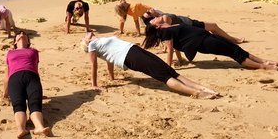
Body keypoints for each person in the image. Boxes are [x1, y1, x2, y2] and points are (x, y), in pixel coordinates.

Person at [82, 31, 219, 98]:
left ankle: (202, 88)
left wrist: (112, 77)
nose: (86, 35)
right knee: (163, 76)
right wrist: (94, 85)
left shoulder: (101, 40)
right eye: (84, 38)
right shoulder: (93, 46)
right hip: (130, 57)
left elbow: (109, 60)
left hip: (133, 49)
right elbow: (94, 65)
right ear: (87, 43)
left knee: (169, 70)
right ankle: (196, 93)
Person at [143, 21, 278, 70]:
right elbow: (171, 49)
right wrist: (168, 67)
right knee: (233, 53)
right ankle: (264, 67)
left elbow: (177, 45)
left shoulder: (168, 26)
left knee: (236, 48)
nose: (155, 20)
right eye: (154, 22)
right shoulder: (165, 33)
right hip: (203, 43)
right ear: (156, 28)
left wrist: (180, 60)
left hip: (206, 35)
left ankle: (264, 60)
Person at [4, 30, 51, 138]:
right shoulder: (10, 52)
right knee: (18, 104)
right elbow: (7, 72)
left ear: (28, 41)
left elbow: (36, 68)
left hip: (32, 78)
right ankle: (21, 129)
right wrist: (5, 92)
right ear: (15, 42)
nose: (21, 34)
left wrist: (38, 87)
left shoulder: (33, 51)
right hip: (15, 79)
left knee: (35, 103)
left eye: (24, 34)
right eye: (19, 34)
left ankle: (39, 127)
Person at [142, 9, 244, 44]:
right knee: (214, 27)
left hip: (190, 23)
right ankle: (232, 39)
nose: (150, 10)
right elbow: (170, 30)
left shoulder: (160, 16)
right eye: (149, 13)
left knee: (213, 29)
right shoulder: (163, 19)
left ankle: (230, 39)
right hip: (191, 25)